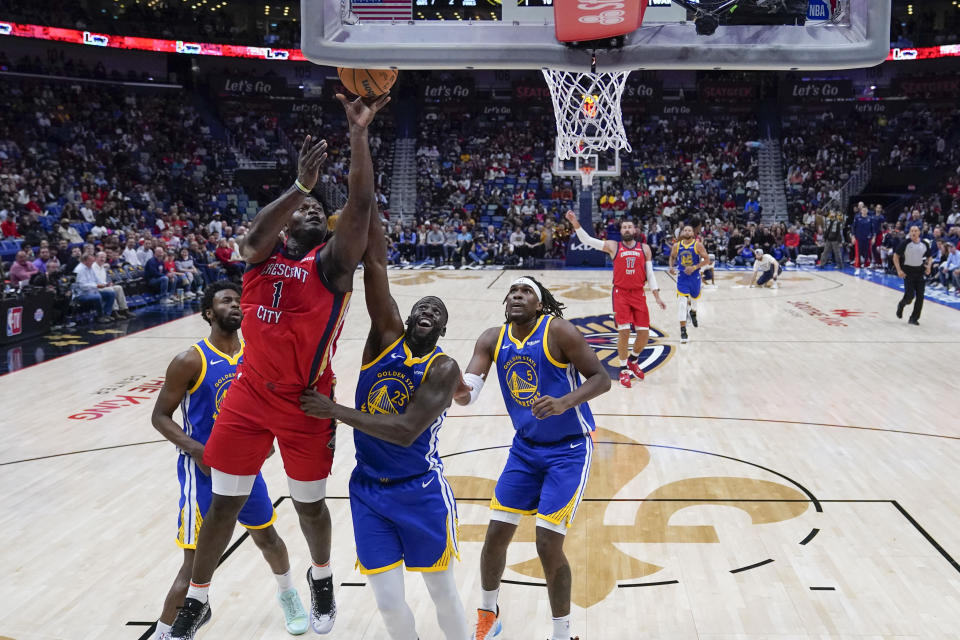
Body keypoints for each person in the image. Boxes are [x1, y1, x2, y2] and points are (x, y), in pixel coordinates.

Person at [168, 92, 389, 640]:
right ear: (289, 219)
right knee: (223, 503)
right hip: (248, 393)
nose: (312, 212)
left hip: (305, 398)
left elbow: (359, 211)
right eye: (304, 210)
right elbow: (249, 240)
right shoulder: (261, 260)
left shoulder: (332, 266)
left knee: (310, 505)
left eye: (319, 210)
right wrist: (300, 188)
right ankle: (197, 600)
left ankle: (321, 580)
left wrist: (358, 136)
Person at [299, 208, 469, 640]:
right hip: (369, 490)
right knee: (389, 604)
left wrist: (334, 410)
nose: (427, 309)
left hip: (421, 490)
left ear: (443, 326)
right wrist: (366, 207)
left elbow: (405, 430)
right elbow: (375, 266)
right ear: (408, 319)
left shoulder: (444, 368)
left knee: (443, 593)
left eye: (436, 309)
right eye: (421, 306)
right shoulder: (383, 341)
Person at [150, 282, 309, 640]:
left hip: (245, 469)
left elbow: (272, 406)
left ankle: (288, 595)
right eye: (226, 300)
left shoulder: (256, 355)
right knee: (193, 563)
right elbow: (160, 416)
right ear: (209, 313)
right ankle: (165, 631)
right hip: (202, 473)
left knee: (267, 537)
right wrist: (197, 451)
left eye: (239, 300)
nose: (235, 304)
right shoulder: (190, 360)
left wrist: (267, 440)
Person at [455, 277, 611, 640]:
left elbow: (601, 379)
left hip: (568, 451)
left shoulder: (559, 332)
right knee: (495, 535)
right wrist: (455, 388)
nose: (517, 296)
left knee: (547, 543)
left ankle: (562, 633)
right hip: (524, 450)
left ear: (539, 304)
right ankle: (488, 614)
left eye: (526, 292)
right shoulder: (492, 338)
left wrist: (564, 402)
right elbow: (468, 393)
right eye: (512, 292)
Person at [564, 210, 665, 387]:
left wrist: (656, 296)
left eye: (629, 227)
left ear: (635, 230)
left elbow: (650, 273)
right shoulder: (613, 246)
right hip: (621, 294)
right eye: (624, 227)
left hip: (639, 294)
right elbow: (588, 240)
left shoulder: (645, 248)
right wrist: (575, 222)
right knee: (624, 332)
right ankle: (624, 369)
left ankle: (633, 360)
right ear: (621, 231)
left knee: (644, 334)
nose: (626, 229)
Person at [668, 225, 711, 346]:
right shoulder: (677, 246)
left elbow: (707, 260)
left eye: (689, 230)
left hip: (695, 277)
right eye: (685, 230)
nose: (687, 231)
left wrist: (694, 267)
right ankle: (683, 331)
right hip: (682, 277)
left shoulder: (698, 245)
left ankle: (693, 312)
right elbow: (672, 256)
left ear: (693, 233)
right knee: (682, 303)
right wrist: (671, 266)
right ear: (682, 232)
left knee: (694, 301)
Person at [893, 225, 934, 325]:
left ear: (919, 232)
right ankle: (901, 305)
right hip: (908, 272)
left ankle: (914, 318)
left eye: (915, 231)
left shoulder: (924, 243)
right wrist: (899, 270)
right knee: (910, 296)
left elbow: (930, 257)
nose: (913, 233)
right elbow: (895, 256)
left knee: (920, 296)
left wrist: (928, 267)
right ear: (910, 232)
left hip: (920, 272)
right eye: (912, 231)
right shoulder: (905, 243)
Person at [73, 253, 115, 323]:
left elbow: (97, 280)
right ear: (85, 261)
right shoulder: (79, 270)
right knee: (97, 296)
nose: (93, 263)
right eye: (91, 261)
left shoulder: (90, 267)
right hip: (81, 294)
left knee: (111, 293)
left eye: (93, 261)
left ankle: (107, 314)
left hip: (92, 291)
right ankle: (100, 316)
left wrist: (106, 284)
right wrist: (97, 286)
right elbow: (82, 286)